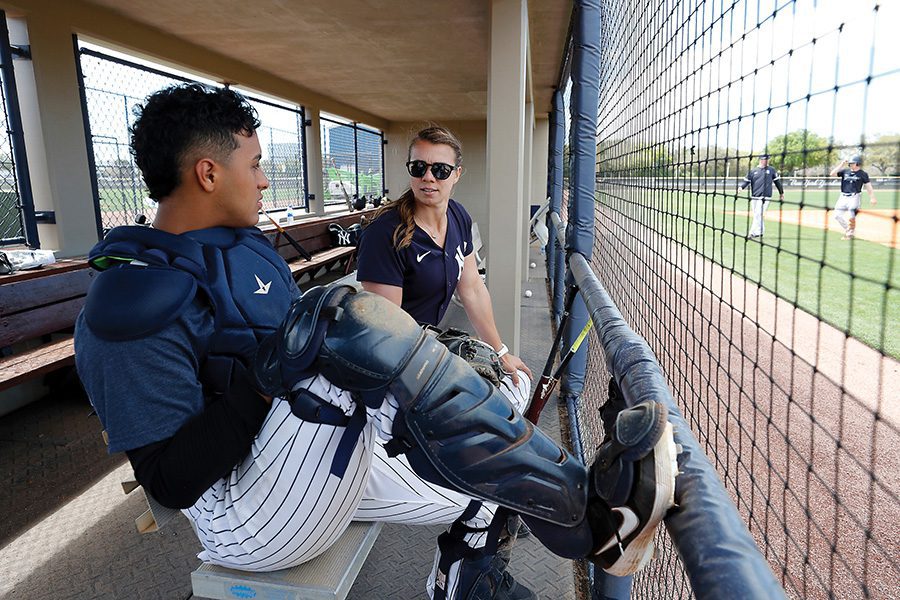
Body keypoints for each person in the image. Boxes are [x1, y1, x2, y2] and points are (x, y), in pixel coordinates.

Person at [74, 84, 677, 600]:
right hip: (241, 513)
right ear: (208, 173)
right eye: (254, 164)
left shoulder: (242, 246)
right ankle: (589, 521)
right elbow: (170, 484)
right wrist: (267, 377)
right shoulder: (132, 302)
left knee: (489, 443)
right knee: (344, 319)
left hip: (307, 465)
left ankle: (473, 574)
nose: (263, 180)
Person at [356, 126, 532, 390]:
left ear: (456, 174)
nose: (428, 177)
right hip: (391, 361)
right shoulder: (385, 233)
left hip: (425, 346)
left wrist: (500, 351)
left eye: (440, 170)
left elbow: (472, 288)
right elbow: (387, 328)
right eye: (418, 167)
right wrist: (444, 364)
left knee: (510, 388)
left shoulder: (458, 215)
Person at [829, 155, 877, 239]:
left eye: (852, 163)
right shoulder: (845, 171)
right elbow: (832, 174)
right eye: (850, 163)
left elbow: (868, 186)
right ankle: (848, 229)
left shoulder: (863, 174)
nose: (850, 164)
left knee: (852, 214)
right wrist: (841, 164)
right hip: (843, 196)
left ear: (858, 163)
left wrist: (872, 197)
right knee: (837, 215)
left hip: (854, 197)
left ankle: (850, 233)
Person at [738, 153, 784, 239]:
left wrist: (781, 193)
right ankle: (761, 231)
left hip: (765, 196)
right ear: (761, 160)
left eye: (767, 159)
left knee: (758, 213)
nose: (766, 161)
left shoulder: (771, 170)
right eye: (764, 159)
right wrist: (741, 187)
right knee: (757, 214)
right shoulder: (753, 171)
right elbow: (746, 181)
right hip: (754, 196)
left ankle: (752, 233)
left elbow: (777, 182)